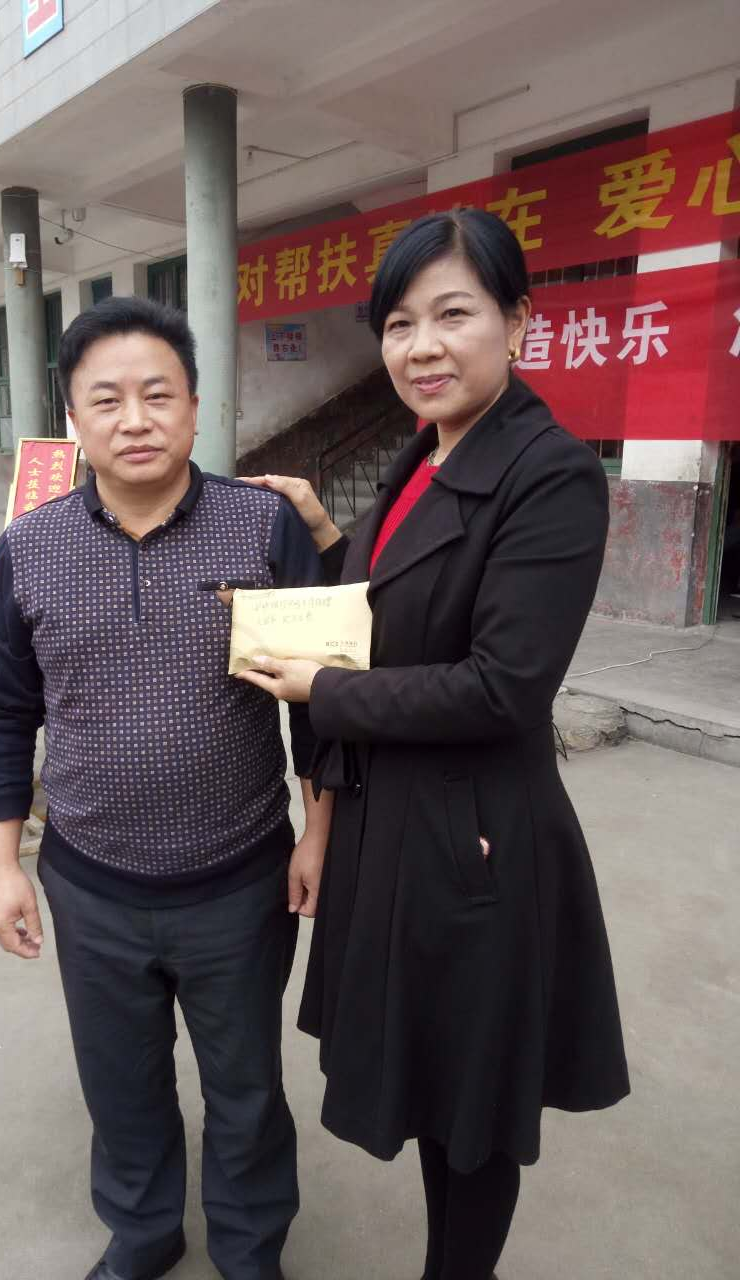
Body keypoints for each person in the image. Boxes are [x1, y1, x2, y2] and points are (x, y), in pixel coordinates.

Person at [239, 210, 630, 1280]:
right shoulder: (424, 453)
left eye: (454, 314)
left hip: (475, 842)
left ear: (518, 321)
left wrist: (326, 690)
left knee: (474, 1107)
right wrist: (328, 535)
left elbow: (504, 686)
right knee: (430, 1080)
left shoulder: (551, 474)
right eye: (399, 323)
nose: (422, 347)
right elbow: (395, 604)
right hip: (391, 821)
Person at [0, 296, 330, 1280]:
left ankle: (250, 1245)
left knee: (246, 1086)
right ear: (73, 419)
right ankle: (143, 1231)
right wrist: (2, 865)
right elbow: (4, 712)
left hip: (241, 878)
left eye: (158, 394)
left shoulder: (264, 527)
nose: (135, 419)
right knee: (120, 1082)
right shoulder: (29, 548)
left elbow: (323, 699)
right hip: (90, 882)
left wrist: (319, 830)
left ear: (196, 406)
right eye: (107, 399)